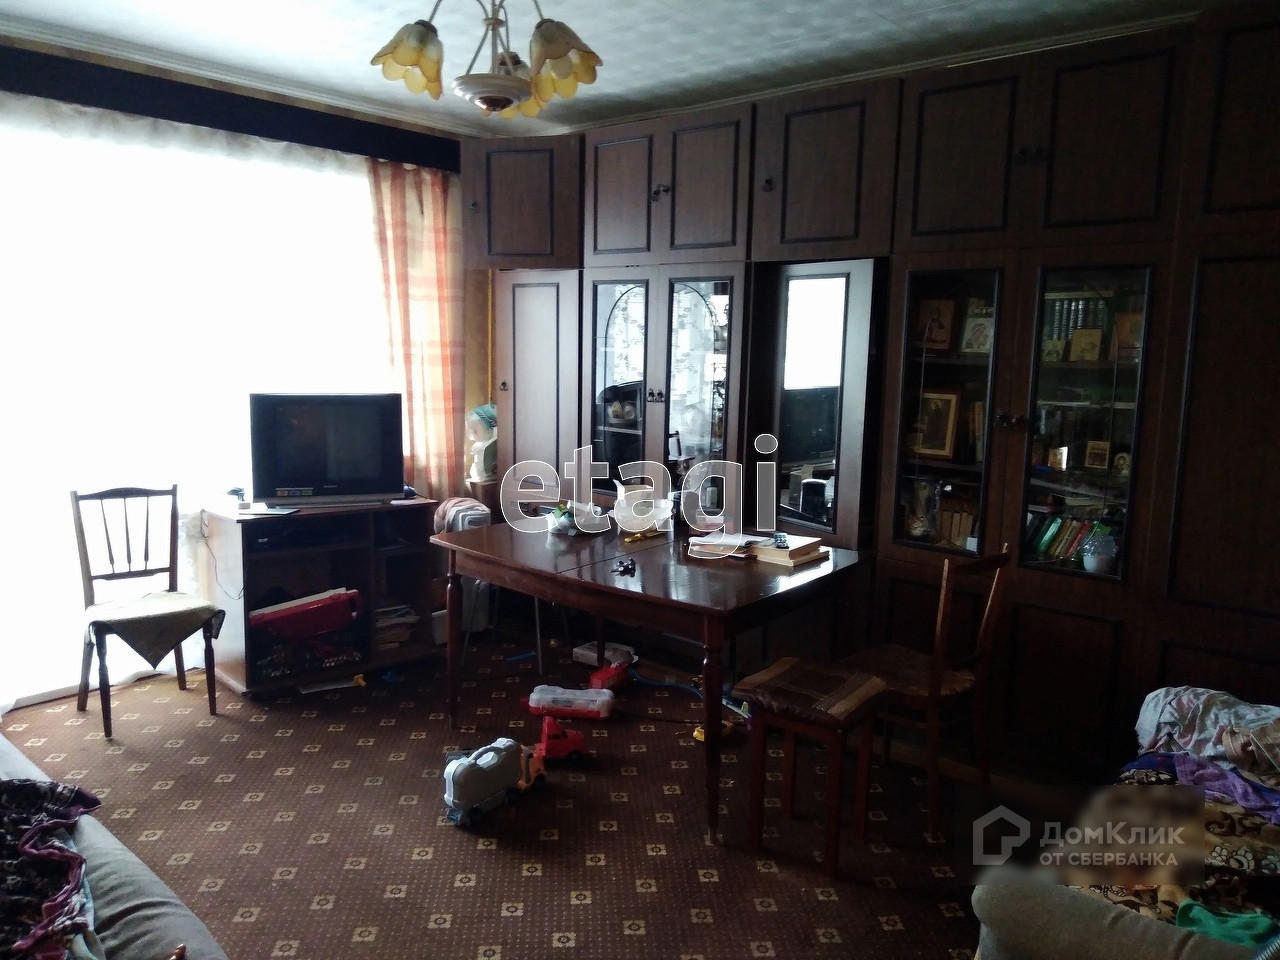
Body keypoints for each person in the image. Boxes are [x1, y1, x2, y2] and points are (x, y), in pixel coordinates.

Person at [466, 403, 497, 482]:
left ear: (489, 429)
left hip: (486, 482)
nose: (471, 433)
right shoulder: (481, 445)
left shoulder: (490, 446)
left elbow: (481, 473)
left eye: (475, 431)